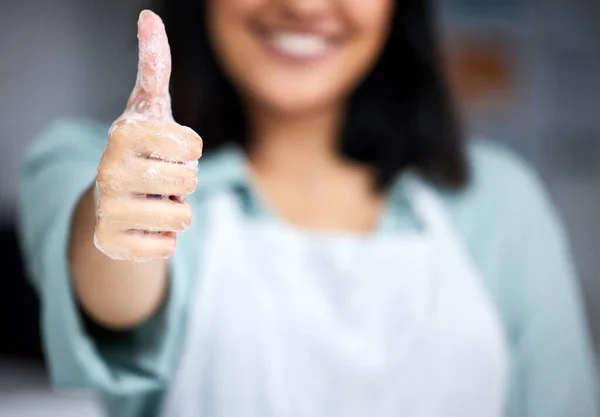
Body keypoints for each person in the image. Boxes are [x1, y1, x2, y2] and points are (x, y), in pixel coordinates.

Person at [18, 1, 599, 417]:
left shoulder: (500, 200)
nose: (302, 5)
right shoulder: (94, 161)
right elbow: (111, 290)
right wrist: (123, 215)